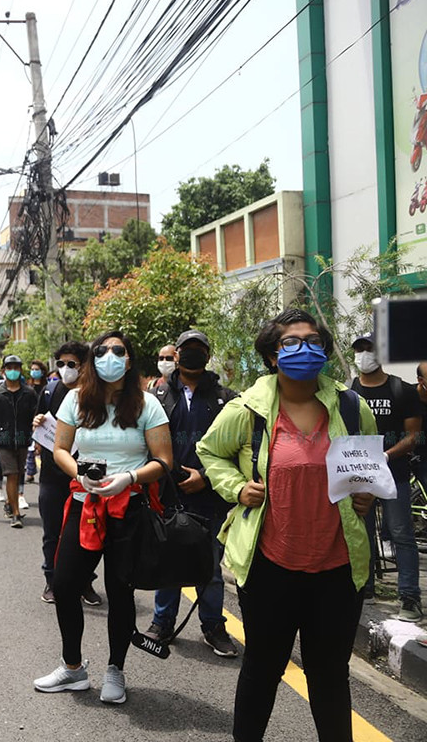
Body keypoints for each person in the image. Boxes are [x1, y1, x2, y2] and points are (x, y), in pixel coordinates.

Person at [197, 308, 377, 742]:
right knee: (262, 669)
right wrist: (237, 487)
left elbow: (365, 468)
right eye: (291, 342)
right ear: (273, 356)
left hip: (337, 567)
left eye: (313, 340)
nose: (304, 349)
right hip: (269, 567)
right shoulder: (249, 410)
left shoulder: (352, 407)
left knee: (330, 675)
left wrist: (366, 493)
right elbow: (209, 452)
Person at [33, 330, 173, 705]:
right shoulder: (77, 399)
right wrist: (78, 473)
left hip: (128, 508)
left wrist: (128, 477)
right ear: (93, 359)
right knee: (63, 584)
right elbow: (61, 449)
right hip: (85, 504)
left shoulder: (147, 405)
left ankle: (116, 669)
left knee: (120, 590)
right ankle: (73, 668)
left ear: (129, 360)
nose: (110, 356)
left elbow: (164, 461)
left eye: (119, 350)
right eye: (102, 350)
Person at [142, 330, 240, 656]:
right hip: (167, 495)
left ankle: (213, 626)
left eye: (199, 350)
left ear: (207, 356)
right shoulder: (157, 396)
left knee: (210, 568)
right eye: (186, 350)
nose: (192, 355)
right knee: (167, 562)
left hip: (209, 497)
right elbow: (145, 444)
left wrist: (207, 477)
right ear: (177, 354)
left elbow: (238, 451)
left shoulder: (228, 399)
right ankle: (162, 622)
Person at [349, 334, 424, 621]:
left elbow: (414, 436)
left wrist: (387, 455)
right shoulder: (349, 392)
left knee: (402, 533)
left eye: (370, 349)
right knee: (361, 533)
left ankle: (409, 596)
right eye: (359, 350)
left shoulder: (402, 390)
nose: (364, 354)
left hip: (395, 475)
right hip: (360, 476)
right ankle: (364, 589)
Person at [33, 342, 97, 605]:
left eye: (71, 364)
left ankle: (84, 583)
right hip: (51, 475)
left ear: (84, 366)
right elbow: (38, 422)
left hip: (85, 478)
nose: (65, 369)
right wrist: (36, 422)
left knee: (87, 532)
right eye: (61, 364)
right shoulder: (50, 391)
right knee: (52, 531)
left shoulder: (95, 395)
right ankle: (52, 580)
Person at [0, 355, 37, 528]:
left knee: (19, 472)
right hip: (4, 440)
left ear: (20, 370)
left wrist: (38, 441)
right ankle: (16, 513)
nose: (13, 371)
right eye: (9, 367)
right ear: (4, 370)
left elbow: (35, 417)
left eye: (16, 367)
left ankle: (9, 503)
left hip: (22, 439)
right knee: (11, 474)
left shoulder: (29, 393)